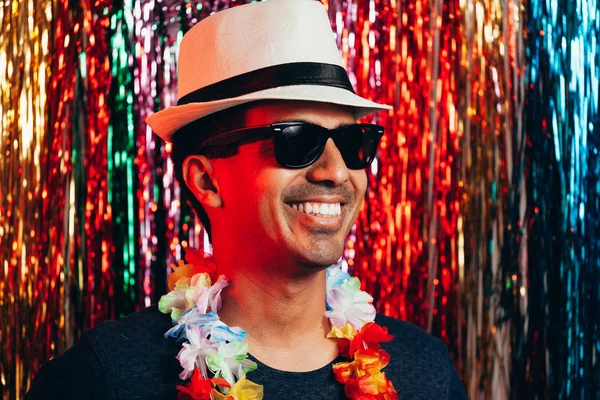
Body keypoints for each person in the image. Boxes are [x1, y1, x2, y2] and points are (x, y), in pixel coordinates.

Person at [26, 0, 467, 399]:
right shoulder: (103, 379)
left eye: (355, 142)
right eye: (297, 140)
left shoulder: (424, 370)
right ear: (206, 180)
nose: (336, 172)